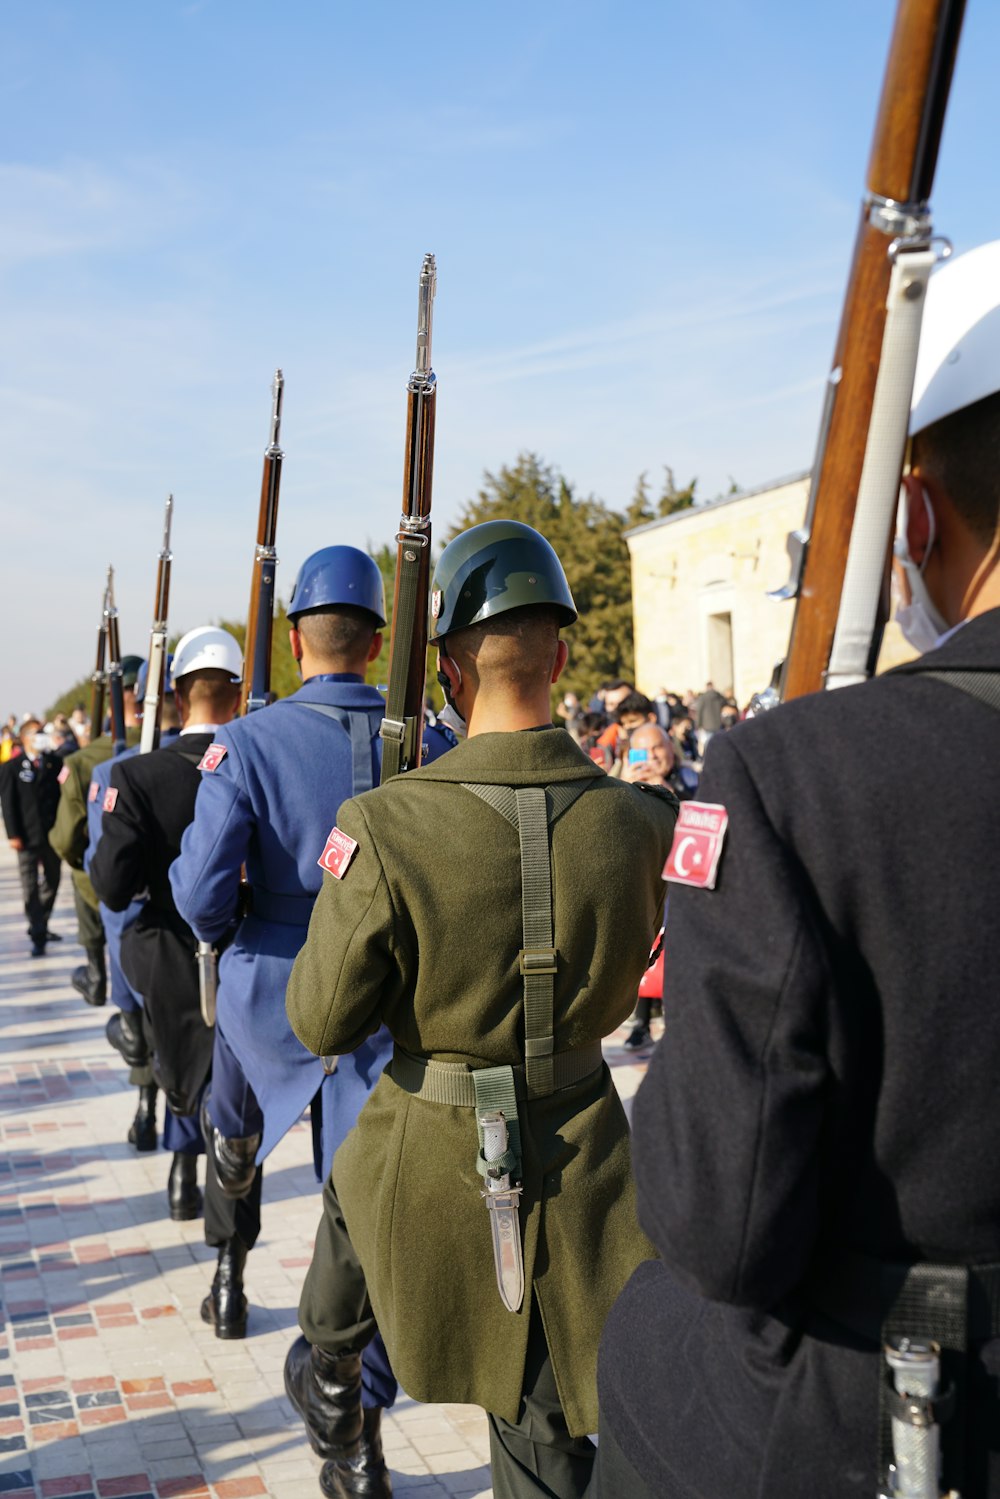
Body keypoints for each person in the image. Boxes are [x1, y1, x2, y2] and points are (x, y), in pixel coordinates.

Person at [590, 241, 1000, 1499]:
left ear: (913, 514)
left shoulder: (799, 778)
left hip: (911, 1409)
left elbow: (720, 1215)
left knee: (647, 1345)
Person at [284, 520, 678, 1499]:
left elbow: (321, 1020)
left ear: (448, 666)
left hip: (430, 1158)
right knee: (546, 1432)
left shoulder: (384, 823)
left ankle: (332, 1366)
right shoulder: (636, 821)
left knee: (353, 1170)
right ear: (562, 650)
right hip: (584, 1157)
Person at [171, 548, 453, 1442]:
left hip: (273, 998)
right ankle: (358, 1427)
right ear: (377, 642)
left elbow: (202, 897)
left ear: (296, 641)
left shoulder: (245, 743)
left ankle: (233, 1166)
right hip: (382, 1003)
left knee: (236, 1092)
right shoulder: (430, 742)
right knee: (362, 1218)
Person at [90, 629, 248, 1303]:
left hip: (164, 952)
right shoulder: (252, 760)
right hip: (241, 948)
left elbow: (113, 887)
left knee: (184, 1070)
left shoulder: (137, 774)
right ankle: (228, 1271)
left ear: (177, 694)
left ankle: (182, 1172)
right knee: (234, 1109)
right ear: (239, 694)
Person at [83, 664, 201, 1206]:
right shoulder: (222, 757)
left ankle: (146, 1111)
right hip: (199, 934)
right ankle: (185, 1165)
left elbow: (96, 860)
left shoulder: (117, 772)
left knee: (151, 1032)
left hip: (140, 928)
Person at [49, 654, 144, 1005]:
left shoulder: (84, 760)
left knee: (82, 870)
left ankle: (94, 969)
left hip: (107, 887)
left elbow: (64, 840)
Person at [0, 718, 64, 956]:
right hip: (26, 835)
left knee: (53, 879)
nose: (41, 738)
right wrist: (13, 833)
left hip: (51, 834)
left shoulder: (55, 763)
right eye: (36, 734)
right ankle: (37, 931)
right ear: (26, 738)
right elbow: (8, 803)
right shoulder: (12, 767)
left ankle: (41, 921)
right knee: (29, 886)